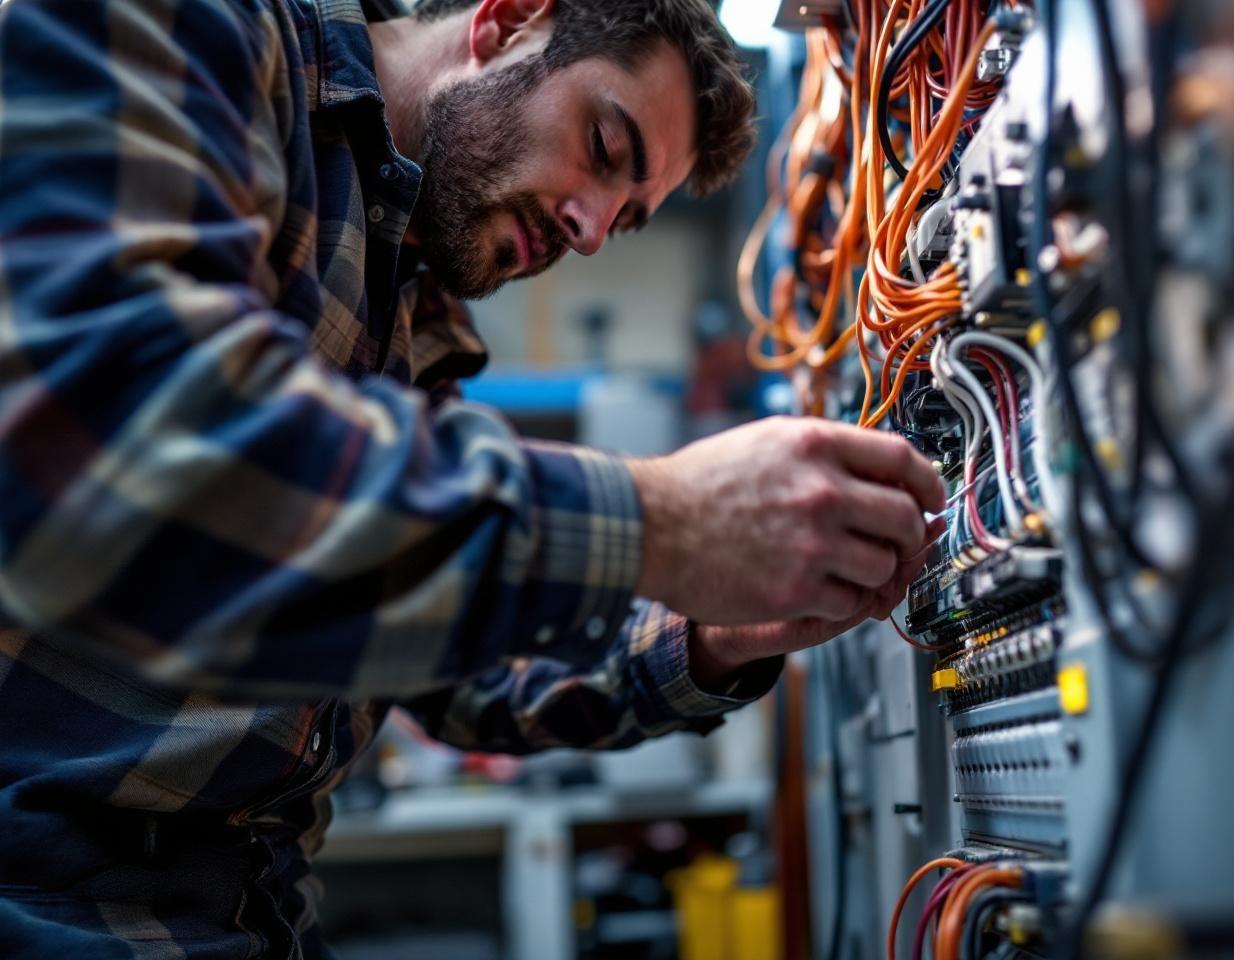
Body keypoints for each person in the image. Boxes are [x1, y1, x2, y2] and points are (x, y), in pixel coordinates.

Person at [0, 0, 946, 955]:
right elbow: (123, 441)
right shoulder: (204, 30)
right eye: (604, 146)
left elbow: (453, 669)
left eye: (624, 221)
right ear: (510, 20)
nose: (589, 231)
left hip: (244, 913)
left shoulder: (414, 306)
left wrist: (711, 634)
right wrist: (662, 522)